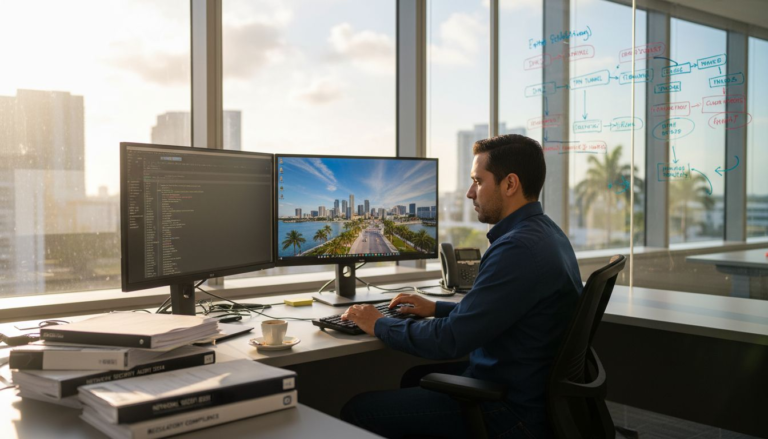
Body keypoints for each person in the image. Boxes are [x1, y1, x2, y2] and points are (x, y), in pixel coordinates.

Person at [339, 134, 583, 438]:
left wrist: (378, 324)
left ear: (510, 184)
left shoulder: (517, 248)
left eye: (478, 181)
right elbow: (501, 309)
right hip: (529, 389)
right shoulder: (548, 234)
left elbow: (450, 340)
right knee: (416, 376)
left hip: (510, 409)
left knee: (358, 410)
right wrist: (436, 307)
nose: (470, 193)